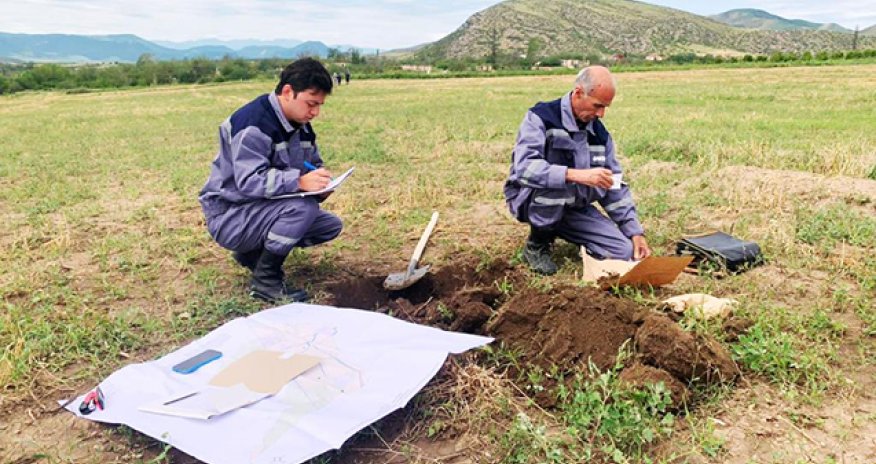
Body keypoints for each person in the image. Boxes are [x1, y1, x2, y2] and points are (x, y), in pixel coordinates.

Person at [198, 58, 342, 302]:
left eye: (320, 105)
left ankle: (251, 255)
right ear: (287, 92)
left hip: (258, 210)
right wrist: (299, 182)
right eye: (311, 103)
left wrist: (320, 181)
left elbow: (312, 162)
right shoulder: (253, 124)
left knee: (329, 225)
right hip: (230, 215)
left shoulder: (301, 125)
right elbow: (249, 181)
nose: (315, 112)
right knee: (302, 209)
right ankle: (266, 280)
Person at [504, 65, 651, 275]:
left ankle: (569, 230)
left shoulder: (600, 135)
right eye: (597, 105)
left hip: (573, 207)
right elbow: (524, 168)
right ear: (578, 93)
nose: (601, 114)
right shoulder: (541, 118)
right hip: (534, 201)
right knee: (557, 185)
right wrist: (576, 175)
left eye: (606, 107)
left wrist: (635, 232)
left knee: (623, 251)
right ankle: (537, 244)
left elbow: (614, 184)